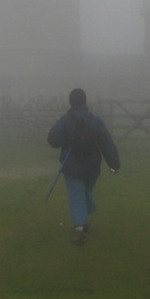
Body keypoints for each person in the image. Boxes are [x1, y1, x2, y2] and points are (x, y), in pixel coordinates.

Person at [47, 88, 121, 245]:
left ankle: (79, 228)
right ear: (85, 101)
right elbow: (106, 144)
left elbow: (52, 139)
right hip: (92, 166)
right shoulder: (95, 121)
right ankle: (85, 218)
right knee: (86, 191)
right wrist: (114, 165)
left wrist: (67, 137)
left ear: (70, 102)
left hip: (71, 165)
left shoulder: (66, 121)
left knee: (76, 194)